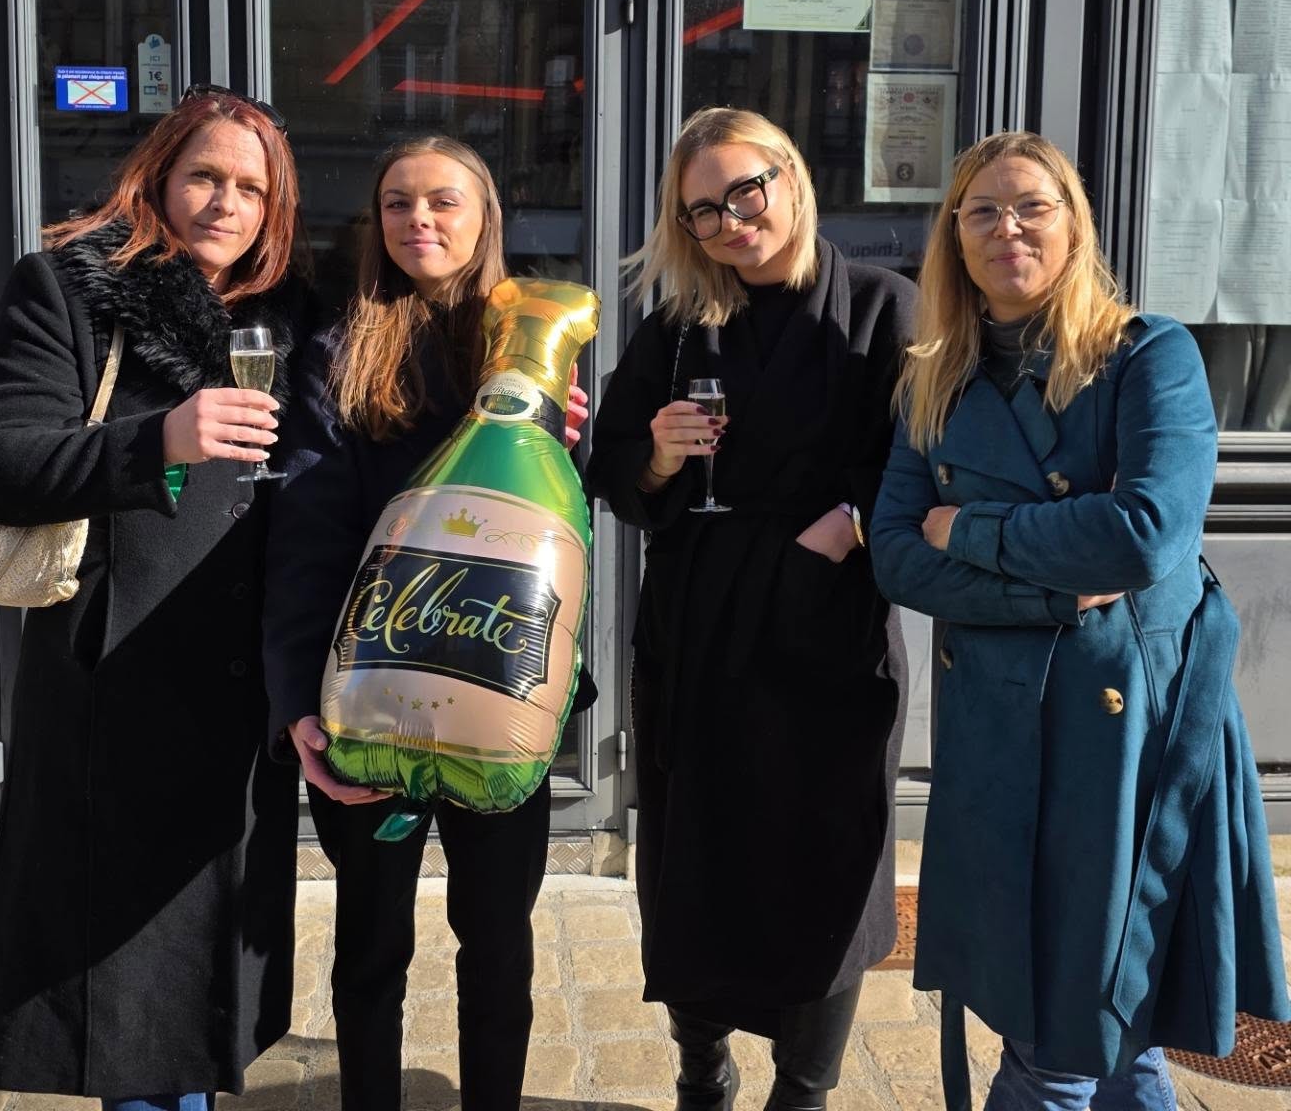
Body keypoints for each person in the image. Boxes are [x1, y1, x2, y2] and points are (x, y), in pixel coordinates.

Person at [870, 131, 1291, 1111]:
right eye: (982, 210)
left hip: (1132, 737)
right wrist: (1059, 591)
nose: (1007, 228)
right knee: (1100, 1032)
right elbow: (895, 553)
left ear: (1073, 227)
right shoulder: (933, 378)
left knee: (1069, 1031)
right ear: (955, 237)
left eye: (1032, 207)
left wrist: (970, 528)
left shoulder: (1149, 353)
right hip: (997, 731)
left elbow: (1145, 536)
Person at [0, 88, 308, 1111]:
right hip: (119, 683)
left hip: (246, 686)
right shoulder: (72, 289)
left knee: (203, 972)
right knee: (129, 991)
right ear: (157, 177)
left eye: (252, 188)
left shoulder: (292, 312)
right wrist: (160, 440)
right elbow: (0, 467)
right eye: (205, 176)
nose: (227, 203)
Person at [585, 107, 918, 1111]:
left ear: (790, 177)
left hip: (831, 629)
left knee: (830, 867)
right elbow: (611, 467)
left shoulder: (884, 307)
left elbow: (928, 460)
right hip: (698, 629)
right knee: (696, 865)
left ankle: (804, 1092)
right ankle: (702, 1068)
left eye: (744, 192)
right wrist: (658, 456)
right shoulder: (680, 324)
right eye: (702, 210)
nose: (729, 222)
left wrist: (848, 525)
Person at [261, 134, 591, 1111]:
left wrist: (576, 442)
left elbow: (563, 526)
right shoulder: (338, 349)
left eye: (444, 201)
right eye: (398, 202)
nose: (420, 220)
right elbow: (304, 537)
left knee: (497, 944)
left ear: (485, 217)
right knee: (370, 946)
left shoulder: (534, 342)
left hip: (498, 691)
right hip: (374, 694)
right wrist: (298, 700)